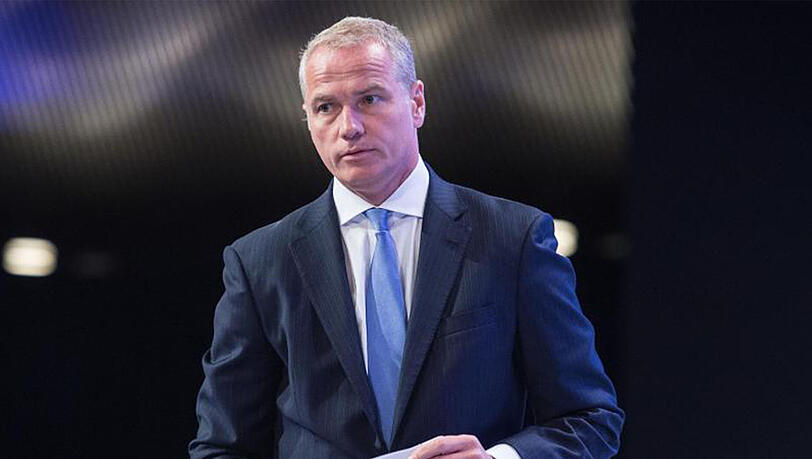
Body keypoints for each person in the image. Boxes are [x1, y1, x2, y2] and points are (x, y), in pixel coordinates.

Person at [190, 16, 623, 459]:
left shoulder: (512, 238)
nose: (349, 126)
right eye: (325, 107)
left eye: (369, 99)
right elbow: (221, 447)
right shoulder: (260, 261)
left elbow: (590, 419)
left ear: (417, 103)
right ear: (308, 119)